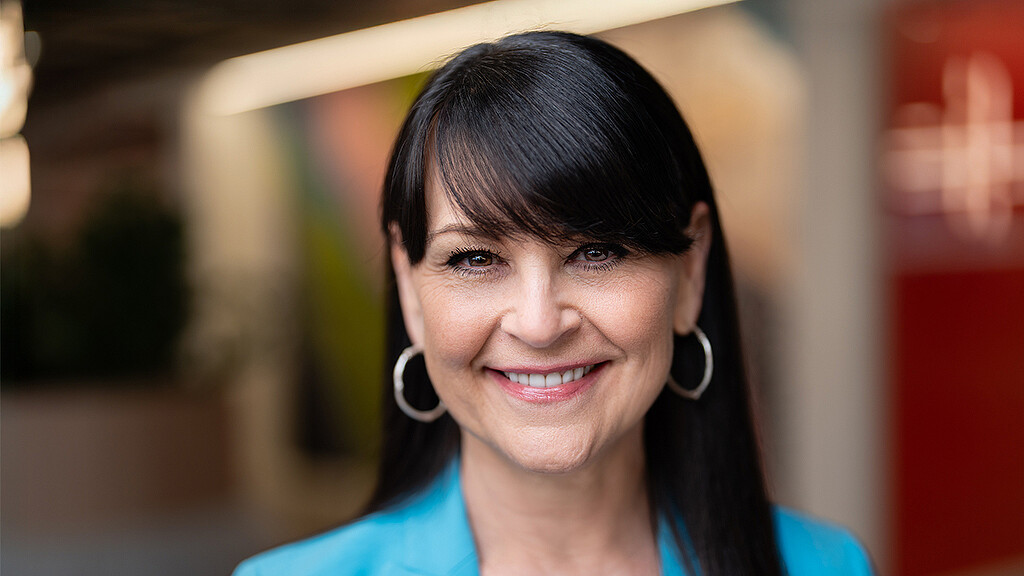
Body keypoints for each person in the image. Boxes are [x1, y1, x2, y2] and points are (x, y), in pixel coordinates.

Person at [234, 31, 873, 575]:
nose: (539, 324)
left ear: (690, 271)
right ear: (409, 285)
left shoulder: (824, 566)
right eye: (476, 259)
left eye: (597, 252)